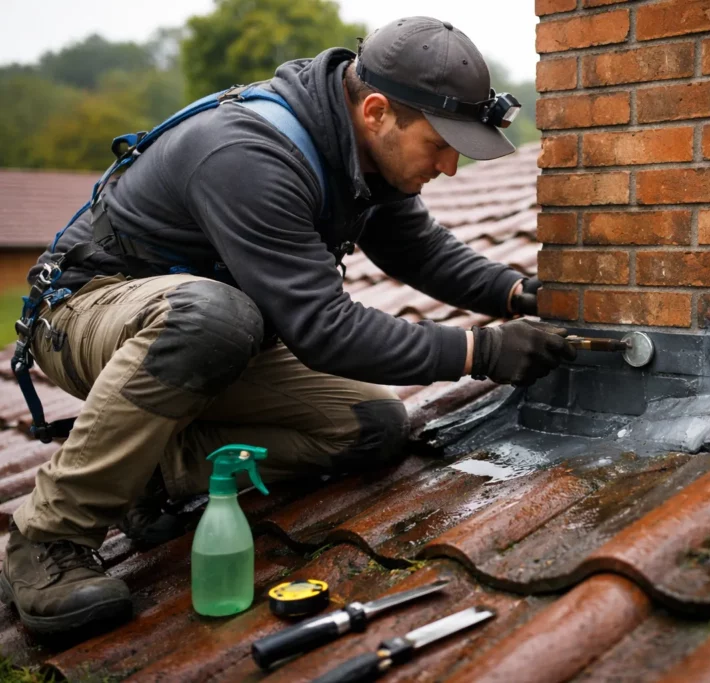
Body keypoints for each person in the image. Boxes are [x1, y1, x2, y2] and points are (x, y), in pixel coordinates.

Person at [0, 16, 575, 635]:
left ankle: (151, 473)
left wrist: (521, 295)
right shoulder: (249, 153)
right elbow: (324, 329)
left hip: (206, 336)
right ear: (378, 111)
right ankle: (47, 540)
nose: (450, 167)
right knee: (217, 316)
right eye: (440, 145)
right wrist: (483, 350)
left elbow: (422, 253)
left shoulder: (362, 155)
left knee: (374, 426)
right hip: (89, 314)